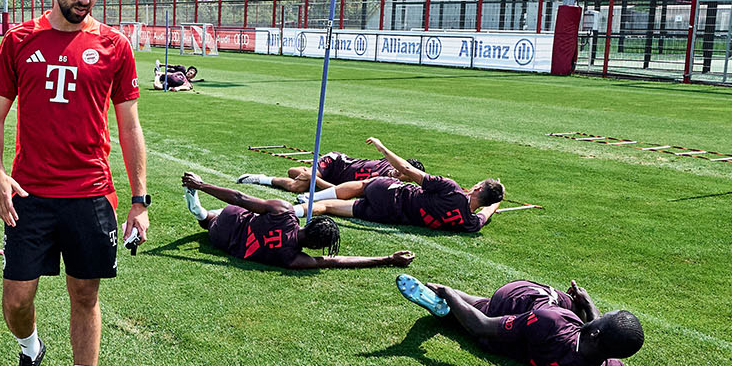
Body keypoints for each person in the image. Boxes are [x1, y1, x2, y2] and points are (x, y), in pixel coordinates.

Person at [0, 0, 149, 366]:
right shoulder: (19, 40)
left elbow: (129, 127)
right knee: (16, 299)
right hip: (30, 193)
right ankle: (31, 350)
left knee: (85, 295)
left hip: (91, 195)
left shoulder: (115, 47)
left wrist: (140, 199)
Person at [394, 275, 640, 366]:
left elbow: (481, 325)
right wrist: (589, 306)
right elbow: (603, 344)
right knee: (573, 307)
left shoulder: (553, 321)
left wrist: (448, 292)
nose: (600, 313)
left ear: (596, 334)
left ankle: (449, 304)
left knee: (493, 306)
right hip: (523, 346)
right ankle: (452, 309)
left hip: (509, 325)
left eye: (603, 316)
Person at [181, 173, 414, 271]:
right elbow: (336, 261)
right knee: (209, 225)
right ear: (316, 247)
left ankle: (202, 211)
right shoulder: (295, 260)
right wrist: (387, 259)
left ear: (310, 224)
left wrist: (202, 185)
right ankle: (202, 214)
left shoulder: (284, 212)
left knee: (219, 216)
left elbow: (240, 198)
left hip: (232, 218)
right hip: (223, 241)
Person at [303, 172, 502, 234]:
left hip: (390, 192)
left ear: (477, 189)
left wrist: (383, 148)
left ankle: (302, 203)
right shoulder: (471, 224)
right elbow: (488, 212)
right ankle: (300, 207)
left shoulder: (452, 190)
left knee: (364, 185)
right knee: (329, 208)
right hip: (389, 216)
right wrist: (496, 199)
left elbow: (407, 168)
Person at [239, 136, 427, 193]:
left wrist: (315, 179)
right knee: (299, 185)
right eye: (399, 170)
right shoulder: (390, 167)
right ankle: (263, 179)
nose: (396, 173)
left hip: (335, 181)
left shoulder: (382, 185)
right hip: (335, 162)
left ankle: (308, 173)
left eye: (401, 176)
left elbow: (338, 191)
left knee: (302, 179)